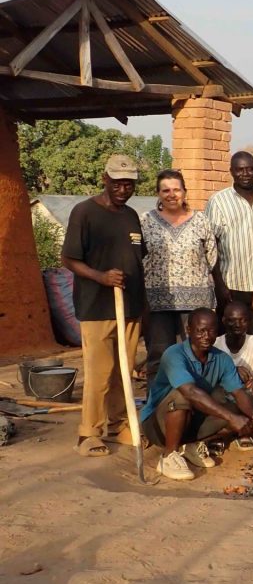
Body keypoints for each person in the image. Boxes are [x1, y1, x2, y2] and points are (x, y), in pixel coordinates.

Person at [61, 154, 147, 457]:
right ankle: (89, 433)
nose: (124, 188)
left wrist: (142, 305)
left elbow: (138, 261)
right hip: (97, 307)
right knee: (100, 371)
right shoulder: (84, 213)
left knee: (123, 371)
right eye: (118, 182)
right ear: (105, 179)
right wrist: (100, 276)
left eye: (129, 183)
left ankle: (120, 424)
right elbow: (68, 259)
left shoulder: (131, 216)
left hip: (131, 307)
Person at [140, 308, 253, 481]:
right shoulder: (174, 354)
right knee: (182, 395)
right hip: (157, 425)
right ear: (188, 329)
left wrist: (252, 416)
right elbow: (189, 392)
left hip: (190, 420)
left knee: (234, 407)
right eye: (200, 331)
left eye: (211, 331)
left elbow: (238, 392)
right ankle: (169, 456)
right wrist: (231, 418)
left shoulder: (222, 358)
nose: (206, 336)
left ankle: (190, 446)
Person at [140, 170, 217, 382]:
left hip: (196, 304)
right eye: (165, 190)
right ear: (158, 193)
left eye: (176, 189)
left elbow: (211, 257)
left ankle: (196, 409)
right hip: (157, 303)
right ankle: (157, 408)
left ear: (185, 192)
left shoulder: (201, 220)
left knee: (196, 355)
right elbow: (139, 257)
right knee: (159, 356)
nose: (171, 194)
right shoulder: (146, 221)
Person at [206, 150, 253, 336]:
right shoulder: (218, 201)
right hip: (231, 284)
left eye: (250, 169)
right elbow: (211, 245)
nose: (245, 174)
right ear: (232, 171)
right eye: (240, 170)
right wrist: (219, 284)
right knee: (229, 337)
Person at [213, 301, 253, 450]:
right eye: (232, 320)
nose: (237, 325)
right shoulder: (215, 344)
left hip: (248, 399)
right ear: (223, 321)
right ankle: (236, 430)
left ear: (249, 321)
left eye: (242, 320)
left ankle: (237, 429)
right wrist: (231, 371)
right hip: (224, 398)